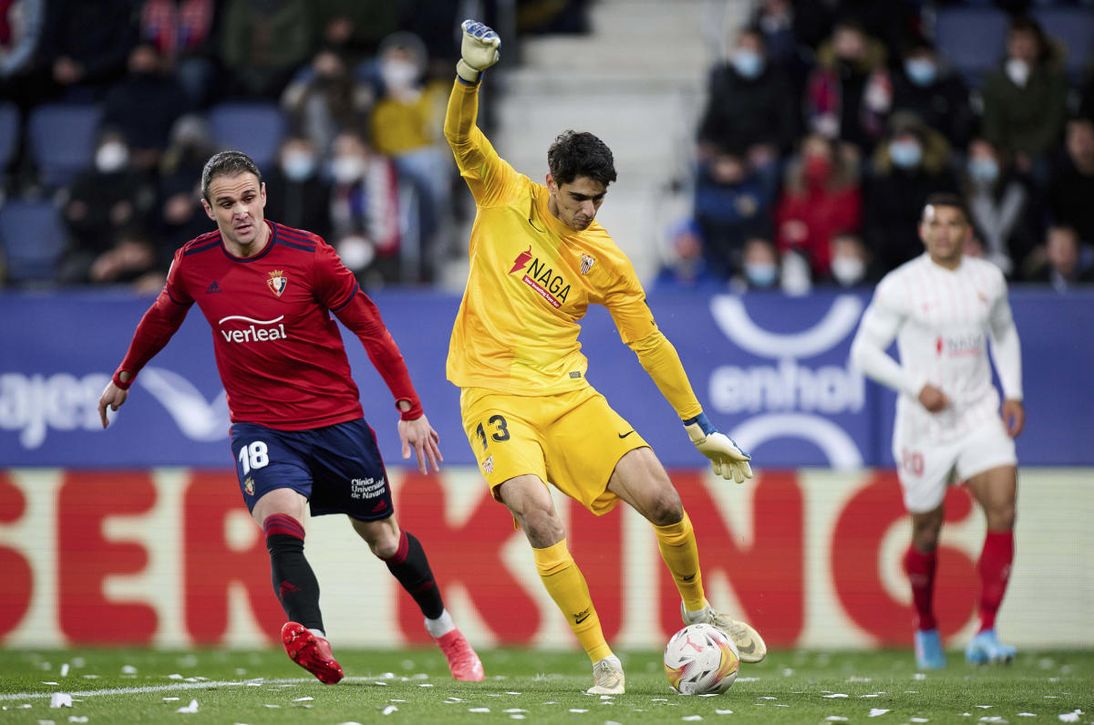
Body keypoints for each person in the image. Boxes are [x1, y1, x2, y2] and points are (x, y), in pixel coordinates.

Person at [444, 20, 766, 695]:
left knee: (666, 503)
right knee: (538, 512)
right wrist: (468, 76)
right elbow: (461, 137)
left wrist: (697, 423)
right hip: (496, 394)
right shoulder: (505, 194)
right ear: (552, 182)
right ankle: (603, 660)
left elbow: (648, 340)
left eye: (599, 199)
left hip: (567, 397)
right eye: (578, 196)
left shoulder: (607, 259)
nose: (588, 210)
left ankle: (698, 610)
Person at [96, 150, 483, 684]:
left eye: (248, 198)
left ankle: (447, 632)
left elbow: (370, 327)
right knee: (281, 524)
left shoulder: (311, 256)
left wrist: (409, 408)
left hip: (335, 423)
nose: (240, 212)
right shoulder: (193, 262)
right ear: (208, 209)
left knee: (384, 539)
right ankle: (313, 638)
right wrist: (124, 376)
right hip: (261, 426)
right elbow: (163, 316)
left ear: (264, 197)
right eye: (226, 203)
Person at [850, 193, 1024, 670]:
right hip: (923, 426)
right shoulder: (901, 285)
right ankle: (925, 624)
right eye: (936, 224)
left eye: (953, 224)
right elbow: (863, 352)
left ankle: (987, 631)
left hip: (978, 413)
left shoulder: (989, 279)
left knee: (1004, 507)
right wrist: (915, 385)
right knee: (927, 530)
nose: (944, 232)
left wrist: (1013, 392)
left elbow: (1004, 332)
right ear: (923, 232)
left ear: (968, 232)